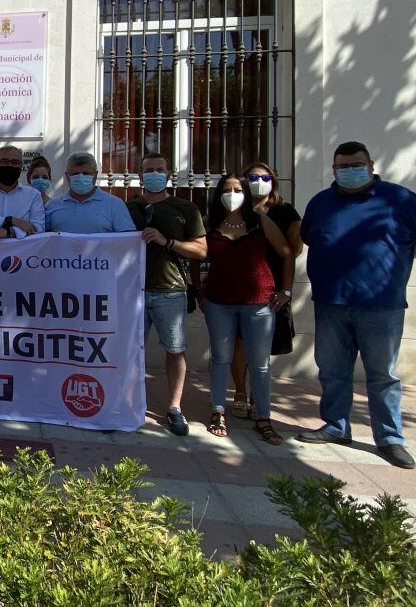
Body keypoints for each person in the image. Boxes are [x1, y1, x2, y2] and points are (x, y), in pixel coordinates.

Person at [297, 141, 416, 469]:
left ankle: (390, 438)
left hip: (381, 305)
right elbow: (309, 238)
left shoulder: (400, 200)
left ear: (371, 164)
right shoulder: (322, 203)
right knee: (333, 371)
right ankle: (336, 426)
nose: (349, 171)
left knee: (383, 375)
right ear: (334, 170)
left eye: (356, 165)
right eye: (343, 167)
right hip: (331, 302)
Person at [192, 174, 290, 444]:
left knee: (259, 365)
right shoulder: (210, 224)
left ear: (246, 193)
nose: (232, 193)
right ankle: (217, 410)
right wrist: (198, 289)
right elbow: (195, 255)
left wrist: (287, 291)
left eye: (237, 189)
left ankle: (263, 416)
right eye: (227, 189)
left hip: (259, 303)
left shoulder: (260, 221)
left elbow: (286, 253)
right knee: (220, 358)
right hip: (219, 301)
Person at [125, 153, 207, 437]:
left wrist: (168, 241)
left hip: (170, 292)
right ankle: (128, 403)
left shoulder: (185, 208)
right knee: (128, 351)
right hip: (132, 292)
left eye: (159, 170)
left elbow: (202, 250)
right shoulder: (129, 207)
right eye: (149, 171)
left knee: (174, 351)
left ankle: (174, 408)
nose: (154, 175)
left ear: (169, 173)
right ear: (140, 176)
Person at [229, 161, 303, 418]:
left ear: (274, 181)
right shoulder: (235, 208)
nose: (259, 181)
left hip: (270, 290)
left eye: (265, 177)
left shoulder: (285, 212)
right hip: (236, 289)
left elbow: (291, 253)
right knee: (238, 344)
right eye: (252, 176)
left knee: (260, 348)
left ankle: (256, 395)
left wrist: (286, 290)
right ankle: (239, 391)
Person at [45, 152, 136, 234]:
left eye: (86, 173)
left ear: (95, 175)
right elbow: (40, 241)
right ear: (67, 176)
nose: (80, 177)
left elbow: (128, 241)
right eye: (75, 174)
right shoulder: (52, 206)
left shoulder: (115, 205)